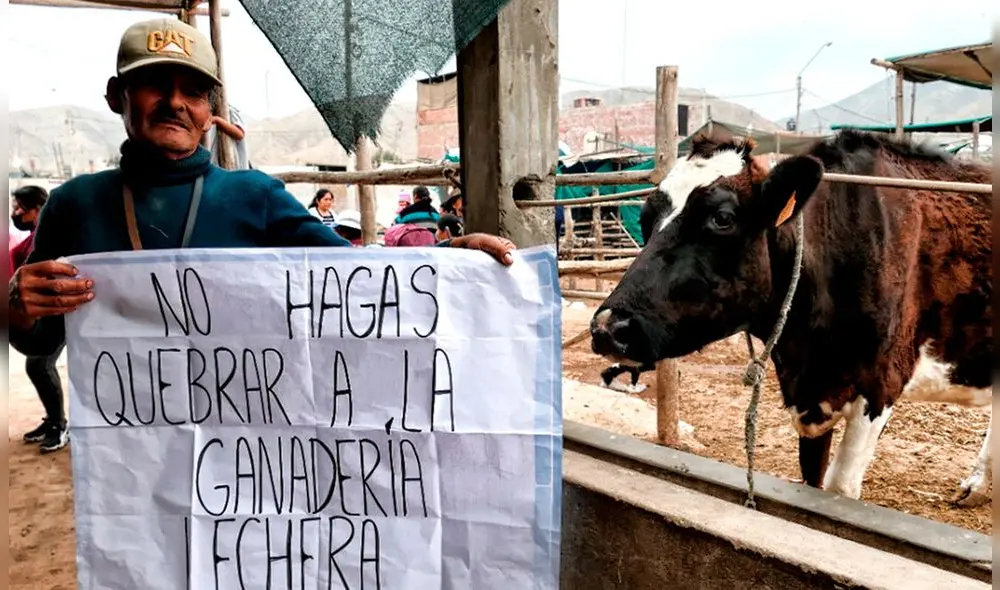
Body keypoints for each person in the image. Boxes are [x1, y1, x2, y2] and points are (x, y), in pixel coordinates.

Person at [8, 17, 515, 361]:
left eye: (194, 92)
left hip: (243, 469)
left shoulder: (255, 196)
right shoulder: (74, 204)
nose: (174, 102)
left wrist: (449, 258)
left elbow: (356, 275)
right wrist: (19, 307)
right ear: (118, 95)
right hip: (137, 472)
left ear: (210, 112)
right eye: (154, 84)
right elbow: (41, 344)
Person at [10, 185, 70, 453]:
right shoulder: (29, 241)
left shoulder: (48, 239)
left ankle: (59, 425)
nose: (16, 212)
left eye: (21, 207)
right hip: (35, 316)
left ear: (38, 209)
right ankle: (53, 421)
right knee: (37, 366)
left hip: (53, 315)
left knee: (40, 365)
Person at [204, 103, 250, 169]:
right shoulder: (206, 112)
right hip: (216, 165)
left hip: (234, 166)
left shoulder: (229, 110)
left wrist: (217, 120)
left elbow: (240, 134)